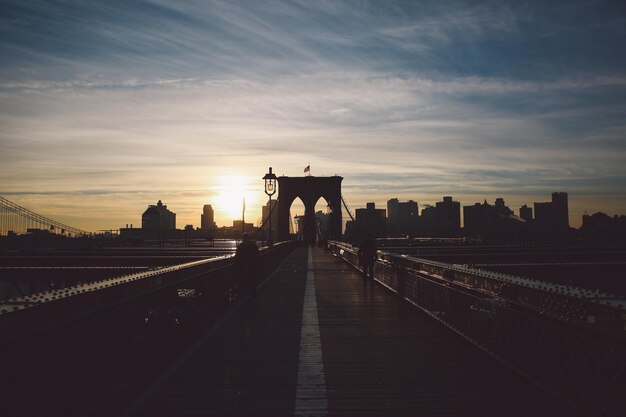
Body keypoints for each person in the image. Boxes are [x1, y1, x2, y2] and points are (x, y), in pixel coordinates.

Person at [235, 233, 260, 298]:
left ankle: (250, 292)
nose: (245, 240)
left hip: (248, 266)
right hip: (247, 266)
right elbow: (257, 255)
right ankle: (252, 292)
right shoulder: (253, 246)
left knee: (250, 279)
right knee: (251, 279)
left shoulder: (240, 247)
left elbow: (237, 257)